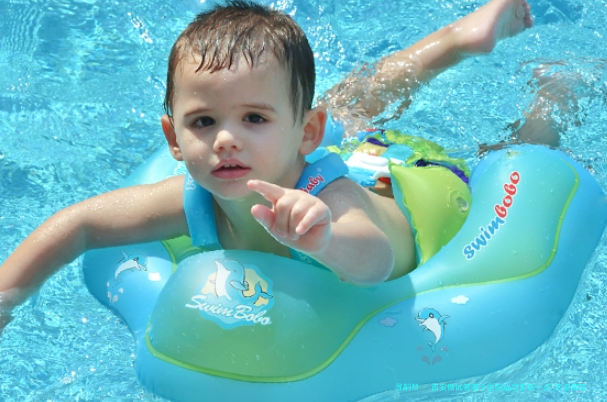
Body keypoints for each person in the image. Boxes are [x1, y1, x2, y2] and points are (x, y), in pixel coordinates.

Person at [0, 0, 536, 331]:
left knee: (513, 154)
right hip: (337, 151)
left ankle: (499, 68)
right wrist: (6, 298)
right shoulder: (195, 198)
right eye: (203, 121)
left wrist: (325, 239)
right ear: (173, 139)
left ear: (309, 136)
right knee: (346, 107)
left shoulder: (328, 197)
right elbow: (81, 223)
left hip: (414, 180)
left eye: (253, 118)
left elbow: (375, 261)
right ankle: (458, 42)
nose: (225, 139)